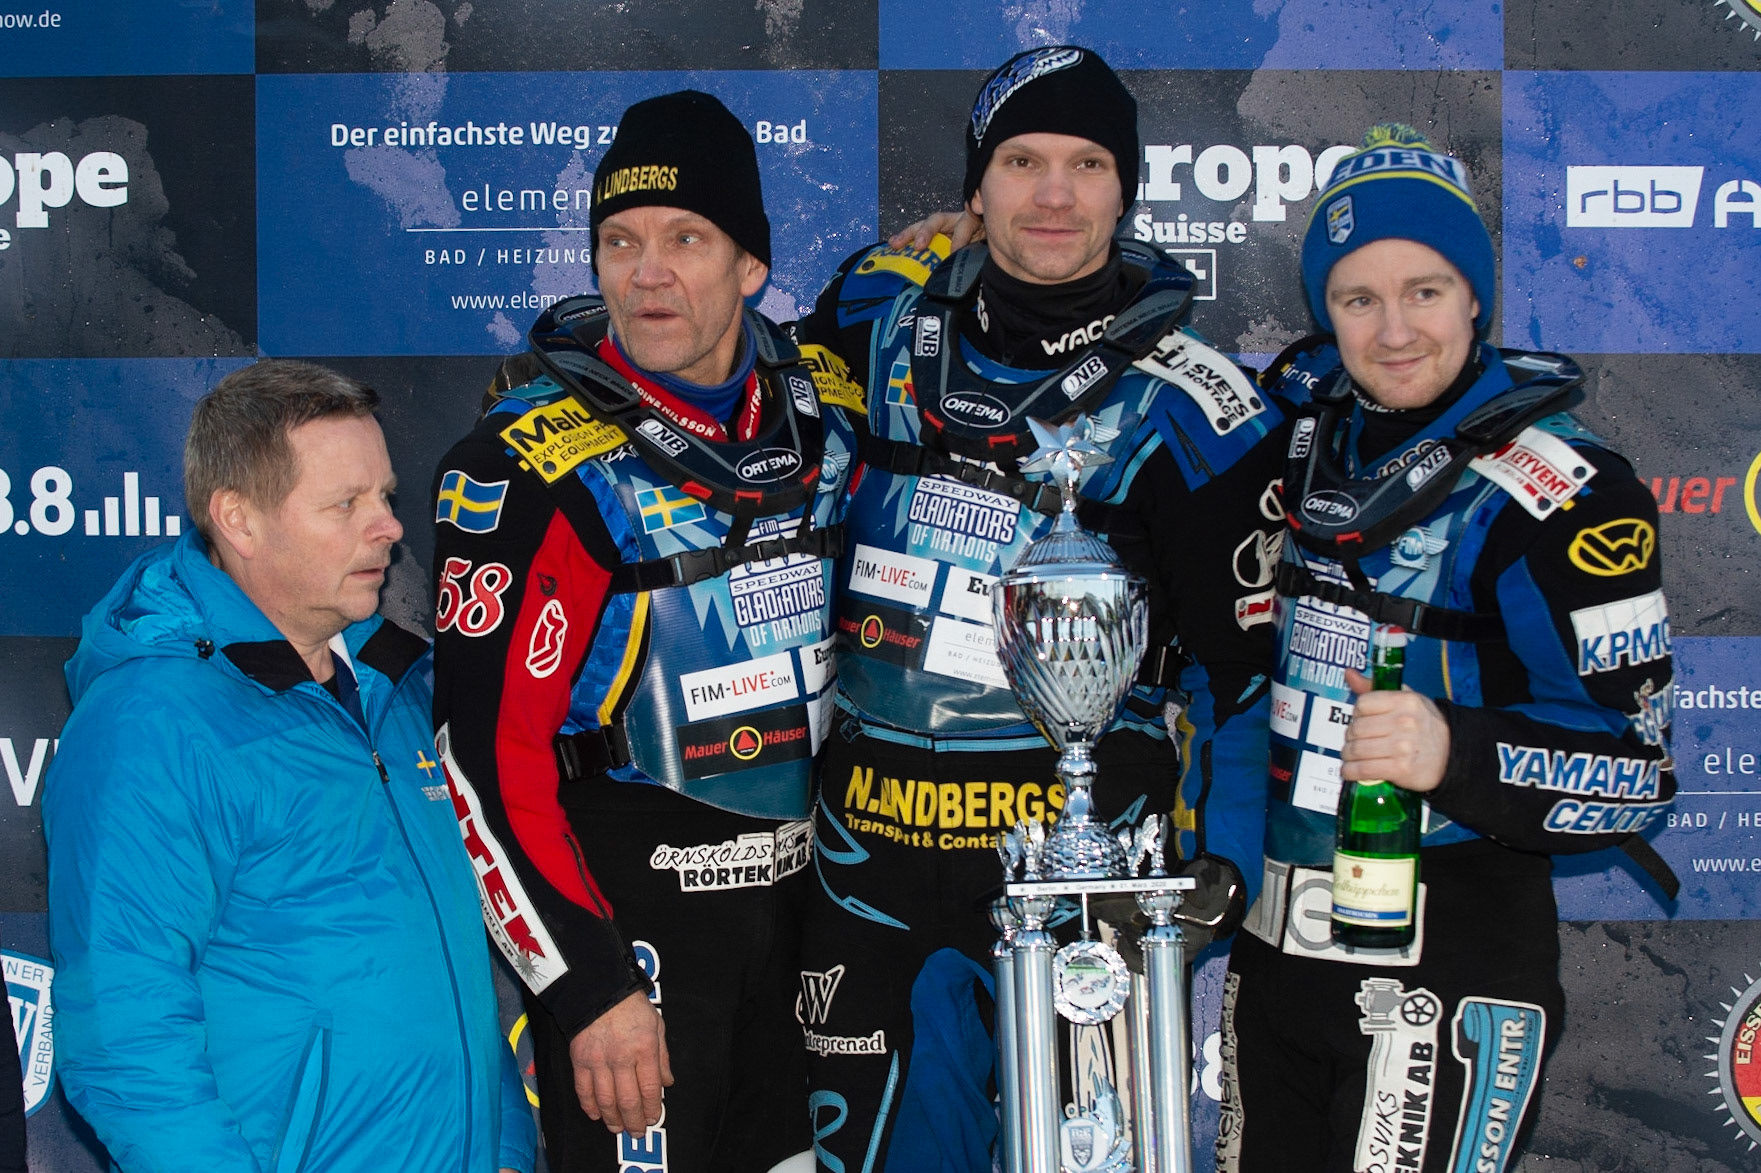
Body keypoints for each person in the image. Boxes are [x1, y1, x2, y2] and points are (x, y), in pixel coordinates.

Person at [792, 45, 1283, 1172]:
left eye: (1086, 164)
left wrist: (1227, 861)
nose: (1053, 193)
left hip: (1078, 857)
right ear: (976, 186)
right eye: (1020, 161)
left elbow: (1242, 676)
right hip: (867, 847)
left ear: (1126, 189)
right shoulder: (872, 325)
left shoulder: (1197, 408)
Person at [1215, 125, 1677, 1173]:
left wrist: (1452, 750)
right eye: (1357, 299)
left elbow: (1639, 776)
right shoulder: (1296, 436)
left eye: (1424, 291)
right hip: (1279, 946)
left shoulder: (1563, 489)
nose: (1393, 331)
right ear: (1325, 312)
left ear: (1475, 297)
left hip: (1451, 953)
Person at [430, 90, 856, 1173]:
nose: (647, 273)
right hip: (633, 926)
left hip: (803, 924)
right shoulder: (530, 463)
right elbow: (486, 760)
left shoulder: (826, 410)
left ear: (751, 265)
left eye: (685, 239)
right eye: (619, 241)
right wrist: (586, 983)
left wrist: (950, 233)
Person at [41, 360, 534, 1173]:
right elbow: (126, 1043)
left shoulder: (401, 686)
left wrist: (506, 1149)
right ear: (238, 518)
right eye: (346, 503)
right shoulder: (149, 725)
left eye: (384, 496)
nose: (388, 526)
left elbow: (457, 983)